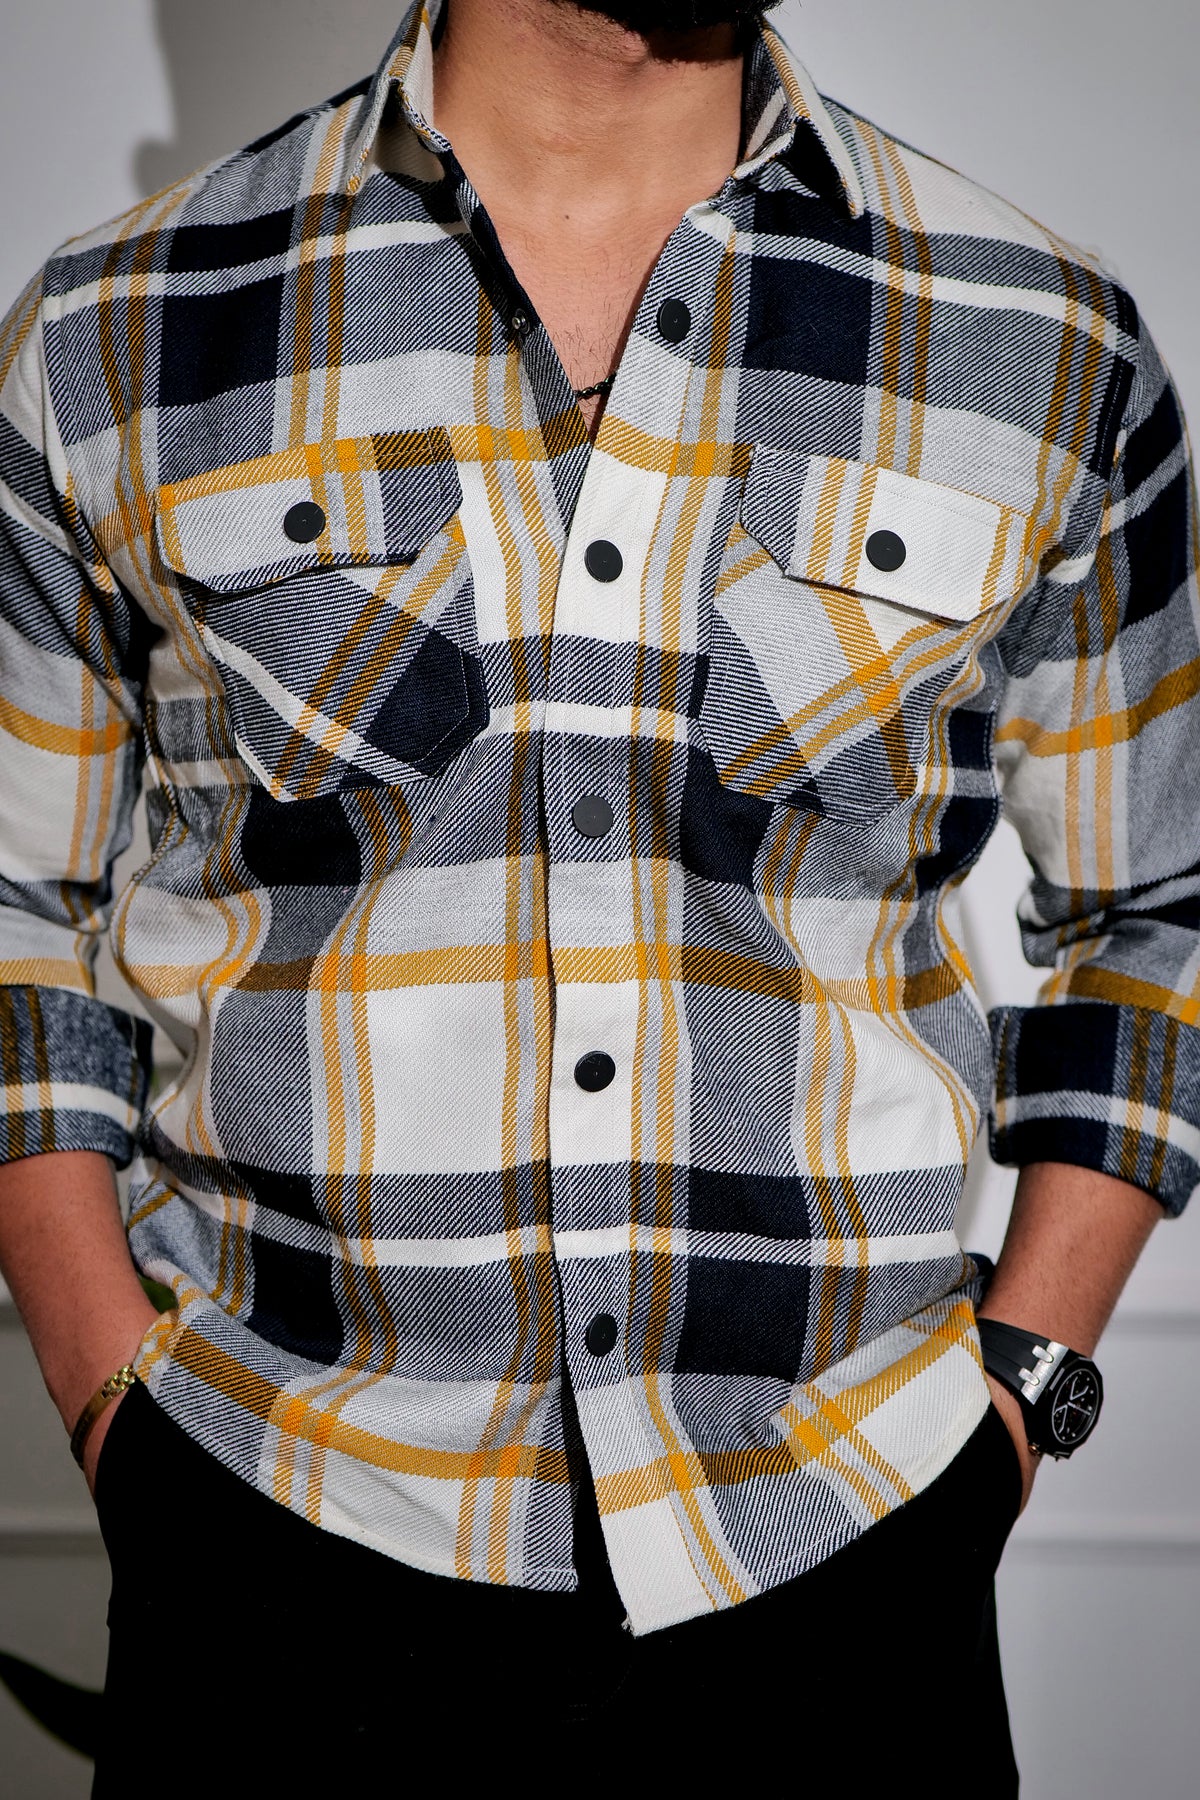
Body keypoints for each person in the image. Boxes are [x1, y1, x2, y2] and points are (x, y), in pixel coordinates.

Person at [0, 0, 1194, 1789]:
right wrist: (111, 1399)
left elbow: (1161, 907)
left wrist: (1021, 1394)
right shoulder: (120, 332)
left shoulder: (1044, 339)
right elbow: (15, 899)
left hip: (851, 1558)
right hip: (274, 1532)